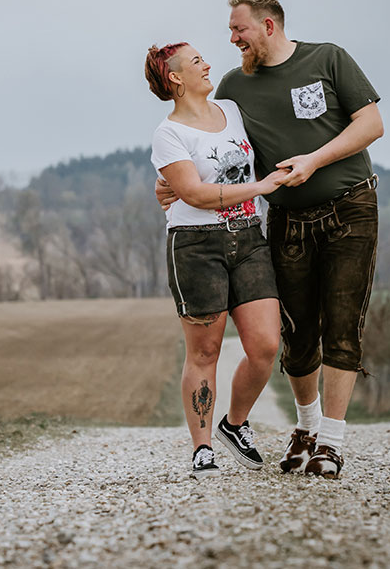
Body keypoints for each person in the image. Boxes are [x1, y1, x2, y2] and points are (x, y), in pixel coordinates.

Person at [156, 0, 384, 479]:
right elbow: (212, 142)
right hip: (283, 221)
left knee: (341, 327)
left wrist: (315, 160)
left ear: (268, 26)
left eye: (238, 29)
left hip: (351, 208)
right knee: (298, 335)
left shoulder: (329, 59)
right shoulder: (236, 87)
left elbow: (372, 124)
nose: (232, 40)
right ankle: (302, 429)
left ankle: (332, 443)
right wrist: (171, 182)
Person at [145, 42, 287, 477]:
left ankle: (234, 424)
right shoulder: (169, 134)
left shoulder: (233, 110)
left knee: (265, 345)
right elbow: (195, 195)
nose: (207, 65)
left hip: (248, 240)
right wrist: (260, 189)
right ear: (175, 78)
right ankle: (202, 448)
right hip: (195, 245)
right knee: (204, 351)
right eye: (196, 62)